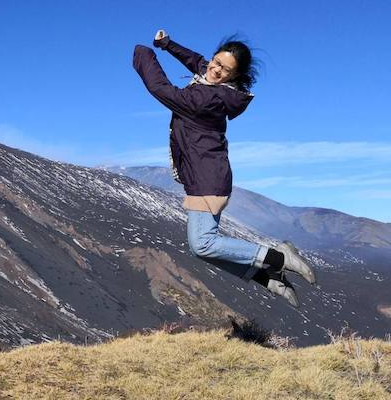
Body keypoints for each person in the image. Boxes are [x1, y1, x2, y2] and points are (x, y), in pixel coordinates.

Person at [132, 30, 317, 307]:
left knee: (203, 244)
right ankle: (267, 278)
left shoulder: (210, 99)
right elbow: (196, 61)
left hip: (209, 178)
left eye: (224, 70)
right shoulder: (210, 76)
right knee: (203, 249)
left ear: (234, 77)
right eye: (216, 62)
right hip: (201, 176)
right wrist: (167, 45)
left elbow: (161, 89)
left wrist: (143, 54)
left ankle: (279, 257)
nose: (215, 70)